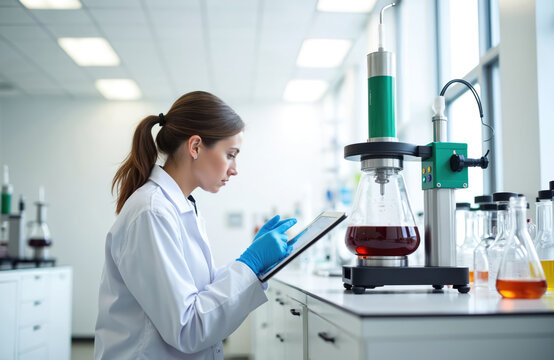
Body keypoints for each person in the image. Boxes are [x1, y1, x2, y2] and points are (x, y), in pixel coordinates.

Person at [94, 91, 297, 359]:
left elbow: (201, 293)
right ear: (196, 146)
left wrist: (254, 265)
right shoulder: (152, 212)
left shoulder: (182, 206)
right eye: (230, 154)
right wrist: (249, 265)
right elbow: (187, 328)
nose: (234, 168)